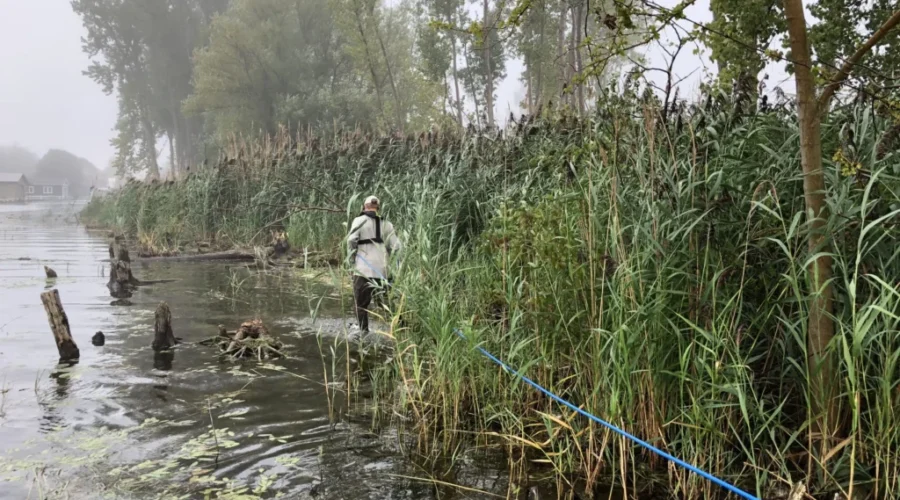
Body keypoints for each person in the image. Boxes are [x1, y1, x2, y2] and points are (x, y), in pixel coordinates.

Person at [347, 195, 401, 334]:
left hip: (363, 270)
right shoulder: (387, 224)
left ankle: (363, 332)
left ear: (364, 207)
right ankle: (400, 327)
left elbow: (351, 240)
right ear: (378, 208)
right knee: (385, 303)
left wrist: (352, 258)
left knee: (361, 304)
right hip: (383, 270)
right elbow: (396, 247)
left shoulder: (358, 220)